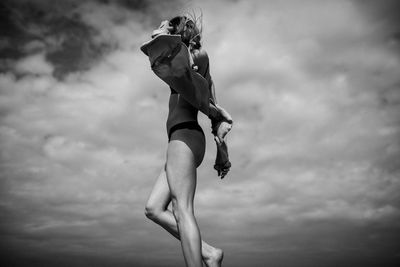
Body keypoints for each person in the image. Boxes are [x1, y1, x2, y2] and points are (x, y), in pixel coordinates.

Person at [143, 15, 233, 267]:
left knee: (182, 210)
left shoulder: (194, 58)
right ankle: (209, 253)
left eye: (168, 24)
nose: (162, 25)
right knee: (153, 208)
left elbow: (159, 44)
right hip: (183, 139)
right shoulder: (182, 63)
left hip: (184, 137)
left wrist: (162, 30)